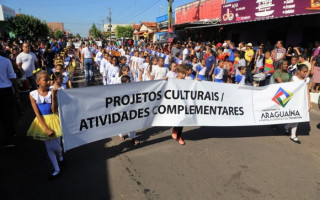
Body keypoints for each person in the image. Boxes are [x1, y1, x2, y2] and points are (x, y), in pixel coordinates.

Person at [27, 70, 63, 179]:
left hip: (55, 119)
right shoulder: (33, 94)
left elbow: (54, 109)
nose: (49, 82)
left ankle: (60, 155)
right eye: (45, 80)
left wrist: (54, 96)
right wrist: (45, 128)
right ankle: (56, 169)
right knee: (48, 146)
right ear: (38, 81)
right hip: (42, 121)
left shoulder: (53, 91)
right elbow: (37, 113)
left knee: (57, 145)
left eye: (49, 79)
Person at [284, 64, 311, 144]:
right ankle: (293, 135)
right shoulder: (294, 78)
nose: (305, 74)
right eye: (304, 72)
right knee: (295, 117)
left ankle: (288, 127)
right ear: (298, 71)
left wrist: (308, 103)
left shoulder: (306, 80)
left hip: (302, 101)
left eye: (306, 72)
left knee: (297, 118)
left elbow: (307, 92)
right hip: (294, 101)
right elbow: (289, 89)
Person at [0, 47, 18, 148]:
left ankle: (9, 134)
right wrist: (16, 91)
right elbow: (12, 77)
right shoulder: (6, 61)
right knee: (8, 115)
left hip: (5, 90)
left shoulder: (6, 61)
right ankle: (7, 139)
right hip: (5, 91)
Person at [117, 75, 140, 145]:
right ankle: (122, 134)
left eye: (130, 81)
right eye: (128, 81)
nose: (130, 82)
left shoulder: (132, 88)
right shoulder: (119, 90)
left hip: (131, 109)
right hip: (123, 110)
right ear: (124, 82)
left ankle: (133, 137)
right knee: (123, 122)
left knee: (132, 123)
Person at [171, 64, 187, 145]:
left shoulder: (186, 81)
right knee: (176, 118)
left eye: (185, 73)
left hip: (183, 103)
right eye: (183, 73)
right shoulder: (173, 81)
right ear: (178, 73)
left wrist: (197, 81)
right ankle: (175, 128)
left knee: (182, 119)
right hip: (175, 103)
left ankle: (179, 136)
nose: (184, 75)